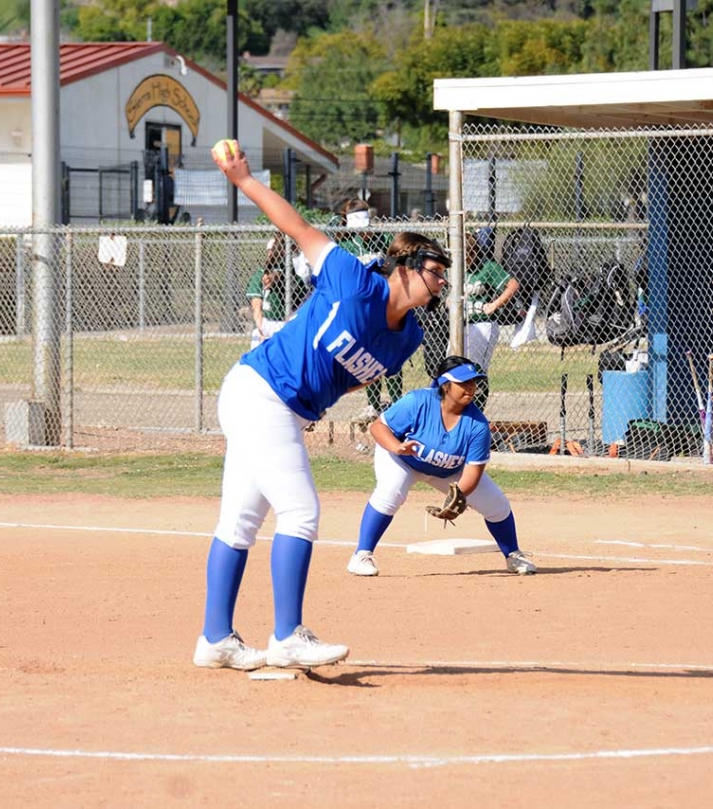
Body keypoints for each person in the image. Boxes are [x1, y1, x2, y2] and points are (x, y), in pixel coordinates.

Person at [194, 138, 451, 671]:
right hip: (259, 390)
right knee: (301, 511)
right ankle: (287, 635)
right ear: (404, 267)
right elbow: (297, 228)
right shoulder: (352, 280)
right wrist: (243, 181)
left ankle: (215, 639)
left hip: (282, 407)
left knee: (240, 521)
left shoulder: (408, 339)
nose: (442, 281)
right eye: (435, 270)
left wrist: (314, 396)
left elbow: (356, 379)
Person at [346, 355, 537, 577]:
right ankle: (361, 555)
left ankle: (513, 555)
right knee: (391, 491)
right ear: (445, 386)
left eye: (473, 382)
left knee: (497, 505)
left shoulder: (477, 425)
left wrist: (457, 497)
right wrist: (397, 447)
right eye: (463, 382)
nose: (471, 387)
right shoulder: (417, 401)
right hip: (402, 459)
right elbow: (378, 427)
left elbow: (473, 473)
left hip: (448, 471)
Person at [337, 198, 403, 419]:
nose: (365, 235)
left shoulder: (383, 239)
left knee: (392, 355)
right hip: (361, 309)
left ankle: (396, 403)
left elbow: (396, 265)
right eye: (359, 230)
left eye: (366, 229)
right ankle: (373, 404)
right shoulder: (345, 245)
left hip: (385, 305)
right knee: (367, 357)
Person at [464, 229, 520, 411]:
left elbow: (512, 284)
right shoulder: (456, 270)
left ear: (474, 252)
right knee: (455, 367)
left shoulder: (486, 266)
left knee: (477, 368)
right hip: (461, 326)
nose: (465, 261)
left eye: (468, 255)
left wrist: (494, 305)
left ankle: (477, 412)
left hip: (482, 324)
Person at [246, 235, 306, 349]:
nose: (272, 254)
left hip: (284, 323)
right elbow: (256, 307)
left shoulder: (294, 278)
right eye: (271, 252)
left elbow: (278, 275)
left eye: (278, 252)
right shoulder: (260, 274)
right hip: (265, 323)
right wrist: (262, 330)